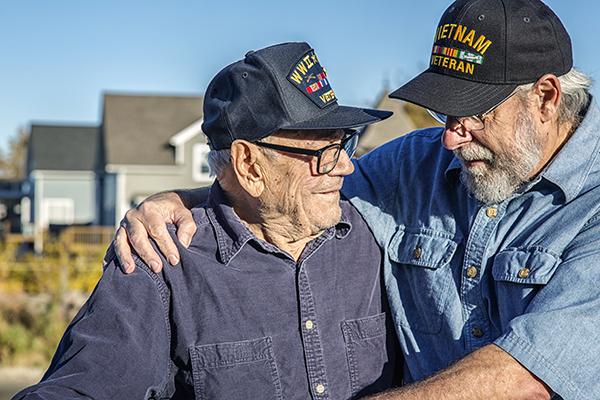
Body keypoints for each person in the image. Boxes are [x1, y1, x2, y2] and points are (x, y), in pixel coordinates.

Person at [116, 0, 600, 399]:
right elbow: (299, 186)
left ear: (545, 97)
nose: (450, 139)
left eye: (473, 114)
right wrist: (184, 198)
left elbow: (529, 377)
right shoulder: (414, 165)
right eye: (441, 113)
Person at [14, 42, 401, 400]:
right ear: (249, 166)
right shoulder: (161, 262)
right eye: (324, 152)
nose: (346, 166)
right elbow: (83, 387)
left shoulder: (378, 230)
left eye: (344, 143)